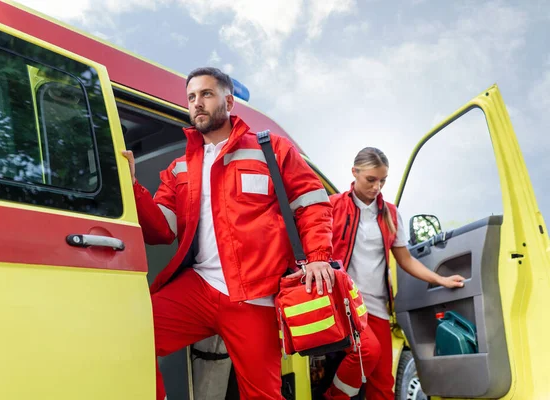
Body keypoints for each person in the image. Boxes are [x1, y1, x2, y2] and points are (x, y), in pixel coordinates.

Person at [122, 67, 335, 400]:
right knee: (132, 337)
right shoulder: (179, 167)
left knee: (262, 394)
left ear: (229, 101)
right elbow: (161, 230)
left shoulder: (272, 149)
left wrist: (319, 257)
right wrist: (132, 185)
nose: (198, 103)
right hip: (199, 288)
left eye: (207, 94)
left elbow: (312, 203)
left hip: (255, 296)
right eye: (192, 97)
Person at [323, 147, 465, 400]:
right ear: (354, 172)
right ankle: (334, 397)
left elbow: (405, 259)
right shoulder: (332, 207)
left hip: (377, 305)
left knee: (383, 382)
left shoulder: (390, 214)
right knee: (367, 351)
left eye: (382, 181)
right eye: (371, 179)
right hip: (345, 302)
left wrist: (440, 279)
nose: (377, 187)